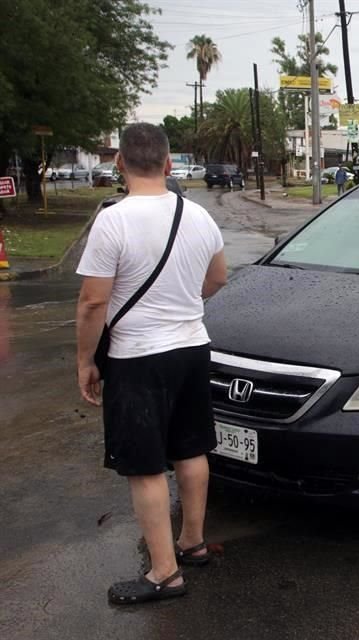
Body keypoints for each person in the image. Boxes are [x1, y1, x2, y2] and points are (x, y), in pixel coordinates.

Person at [75, 123, 228, 605]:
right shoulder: (198, 216)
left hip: (138, 356)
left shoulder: (113, 220)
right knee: (190, 449)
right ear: (167, 164)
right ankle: (193, 542)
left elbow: (92, 303)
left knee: (144, 467)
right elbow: (218, 279)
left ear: (119, 163)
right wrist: (183, 300)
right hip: (192, 348)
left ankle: (164, 572)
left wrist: (85, 360)